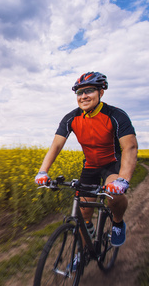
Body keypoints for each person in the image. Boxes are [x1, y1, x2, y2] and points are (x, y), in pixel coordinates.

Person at [34, 72, 138, 247]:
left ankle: (118, 223)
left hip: (112, 164)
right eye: (79, 93)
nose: (83, 96)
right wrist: (43, 171)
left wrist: (123, 179)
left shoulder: (116, 115)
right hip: (90, 166)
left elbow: (130, 147)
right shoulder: (71, 118)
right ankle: (83, 254)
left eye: (89, 91)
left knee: (114, 193)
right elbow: (56, 146)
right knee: (83, 216)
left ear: (101, 92)